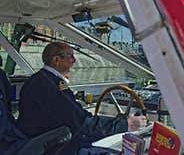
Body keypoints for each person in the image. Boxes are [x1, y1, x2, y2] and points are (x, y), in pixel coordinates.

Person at [17, 42, 147, 153]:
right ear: (56, 60)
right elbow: (82, 122)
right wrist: (126, 124)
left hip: (39, 140)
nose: (74, 60)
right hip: (54, 147)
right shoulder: (52, 87)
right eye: (71, 56)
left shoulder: (39, 80)